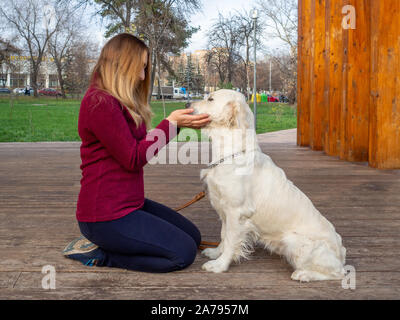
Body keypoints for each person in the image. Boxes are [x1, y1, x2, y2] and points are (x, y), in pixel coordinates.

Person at [62, 33, 211, 273]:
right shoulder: (99, 103)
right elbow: (133, 158)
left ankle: (117, 244)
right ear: (124, 65)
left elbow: (139, 145)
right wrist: (171, 124)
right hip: (105, 216)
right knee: (182, 254)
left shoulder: (118, 101)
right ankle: (102, 255)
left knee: (193, 237)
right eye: (141, 68)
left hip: (130, 204)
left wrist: (177, 123)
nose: (143, 76)